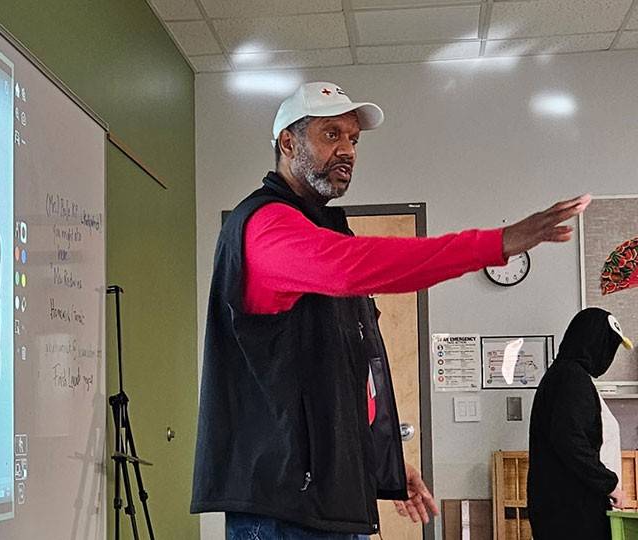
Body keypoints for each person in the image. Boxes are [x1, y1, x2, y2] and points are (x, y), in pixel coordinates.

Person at [190, 81, 591, 540]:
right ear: (287, 143)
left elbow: (342, 374)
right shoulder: (266, 225)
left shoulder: (319, 225)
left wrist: (385, 465)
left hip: (323, 500)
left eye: (354, 139)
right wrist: (495, 244)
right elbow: (356, 268)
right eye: (331, 135)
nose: (347, 151)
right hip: (283, 510)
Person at [528, 308, 633, 539]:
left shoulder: (563, 375)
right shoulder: (571, 379)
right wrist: (608, 484)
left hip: (561, 508)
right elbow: (570, 441)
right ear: (594, 342)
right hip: (572, 513)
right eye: (609, 347)